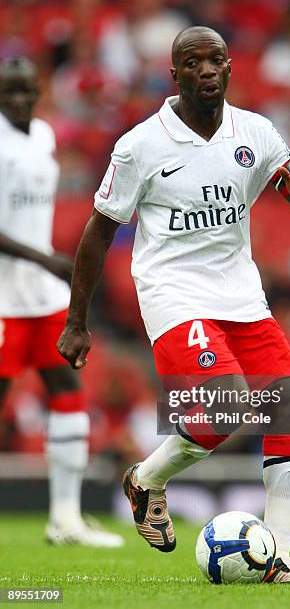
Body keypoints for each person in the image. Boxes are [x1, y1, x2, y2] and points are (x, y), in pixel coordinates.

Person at [58, 27, 290, 581]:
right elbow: (97, 232)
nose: (206, 70)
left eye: (215, 61)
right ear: (174, 72)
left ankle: (275, 556)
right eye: (193, 62)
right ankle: (147, 477)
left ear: (230, 68)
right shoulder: (140, 145)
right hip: (173, 292)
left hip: (240, 294)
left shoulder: (255, 132)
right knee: (228, 404)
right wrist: (76, 321)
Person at [0, 57, 123, 548]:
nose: (20, 100)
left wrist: (47, 265)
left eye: (27, 90)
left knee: (67, 392)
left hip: (43, 294)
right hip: (4, 297)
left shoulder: (45, 136)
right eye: (9, 92)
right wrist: (46, 257)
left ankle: (66, 519)